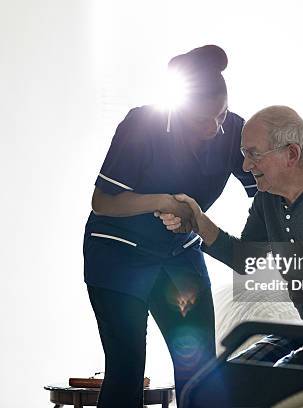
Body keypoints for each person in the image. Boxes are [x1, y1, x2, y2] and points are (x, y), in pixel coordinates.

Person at [83, 45, 257, 407]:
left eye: (221, 115)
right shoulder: (141, 124)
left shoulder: (233, 130)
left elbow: (264, 184)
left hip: (180, 255)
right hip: (118, 256)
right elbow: (103, 201)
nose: (215, 127)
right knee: (126, 371)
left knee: (202, 373)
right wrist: (163, 201)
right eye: (202, 119)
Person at [157, 105, 303, 365]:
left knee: (280, 376)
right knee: (235, 372)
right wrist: (199, 222)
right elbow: (246, 260)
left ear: (291, 153)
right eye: (243, 154)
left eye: (254, 154)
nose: (246, 165)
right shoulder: (268, 196)